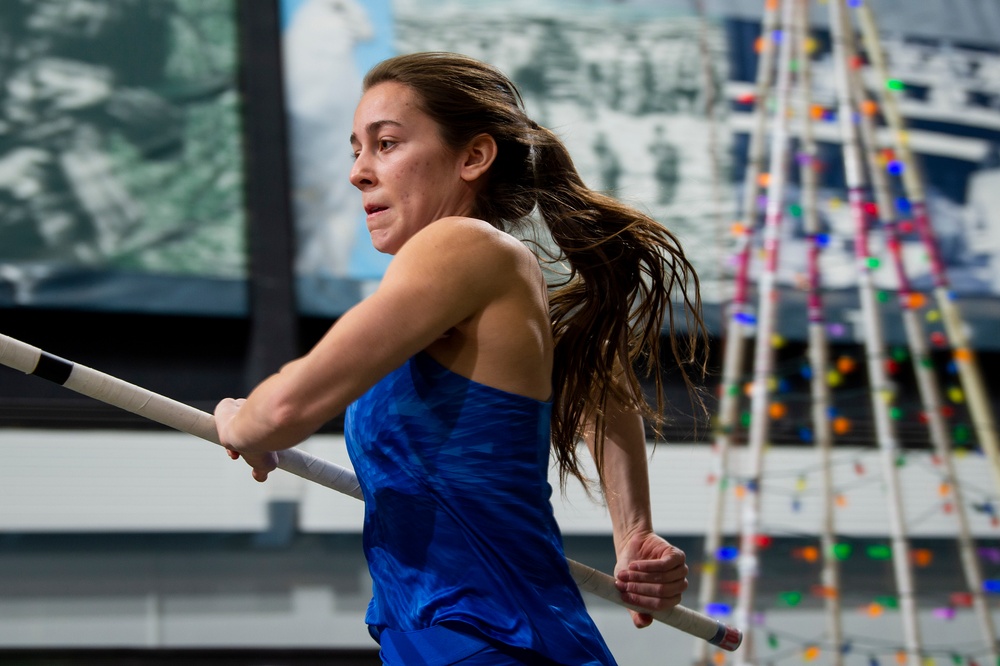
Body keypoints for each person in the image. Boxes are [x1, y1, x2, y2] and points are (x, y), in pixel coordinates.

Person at [215, 52, 707, 665]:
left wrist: (241, 419)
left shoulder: (463, 244)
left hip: (488, 642)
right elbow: (601, 382)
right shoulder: (487, 286)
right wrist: (633, 531)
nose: (359, 173)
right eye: (355, 150)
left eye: (386, 144)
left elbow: (288, 405)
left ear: (473, 157)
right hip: (452, 641)